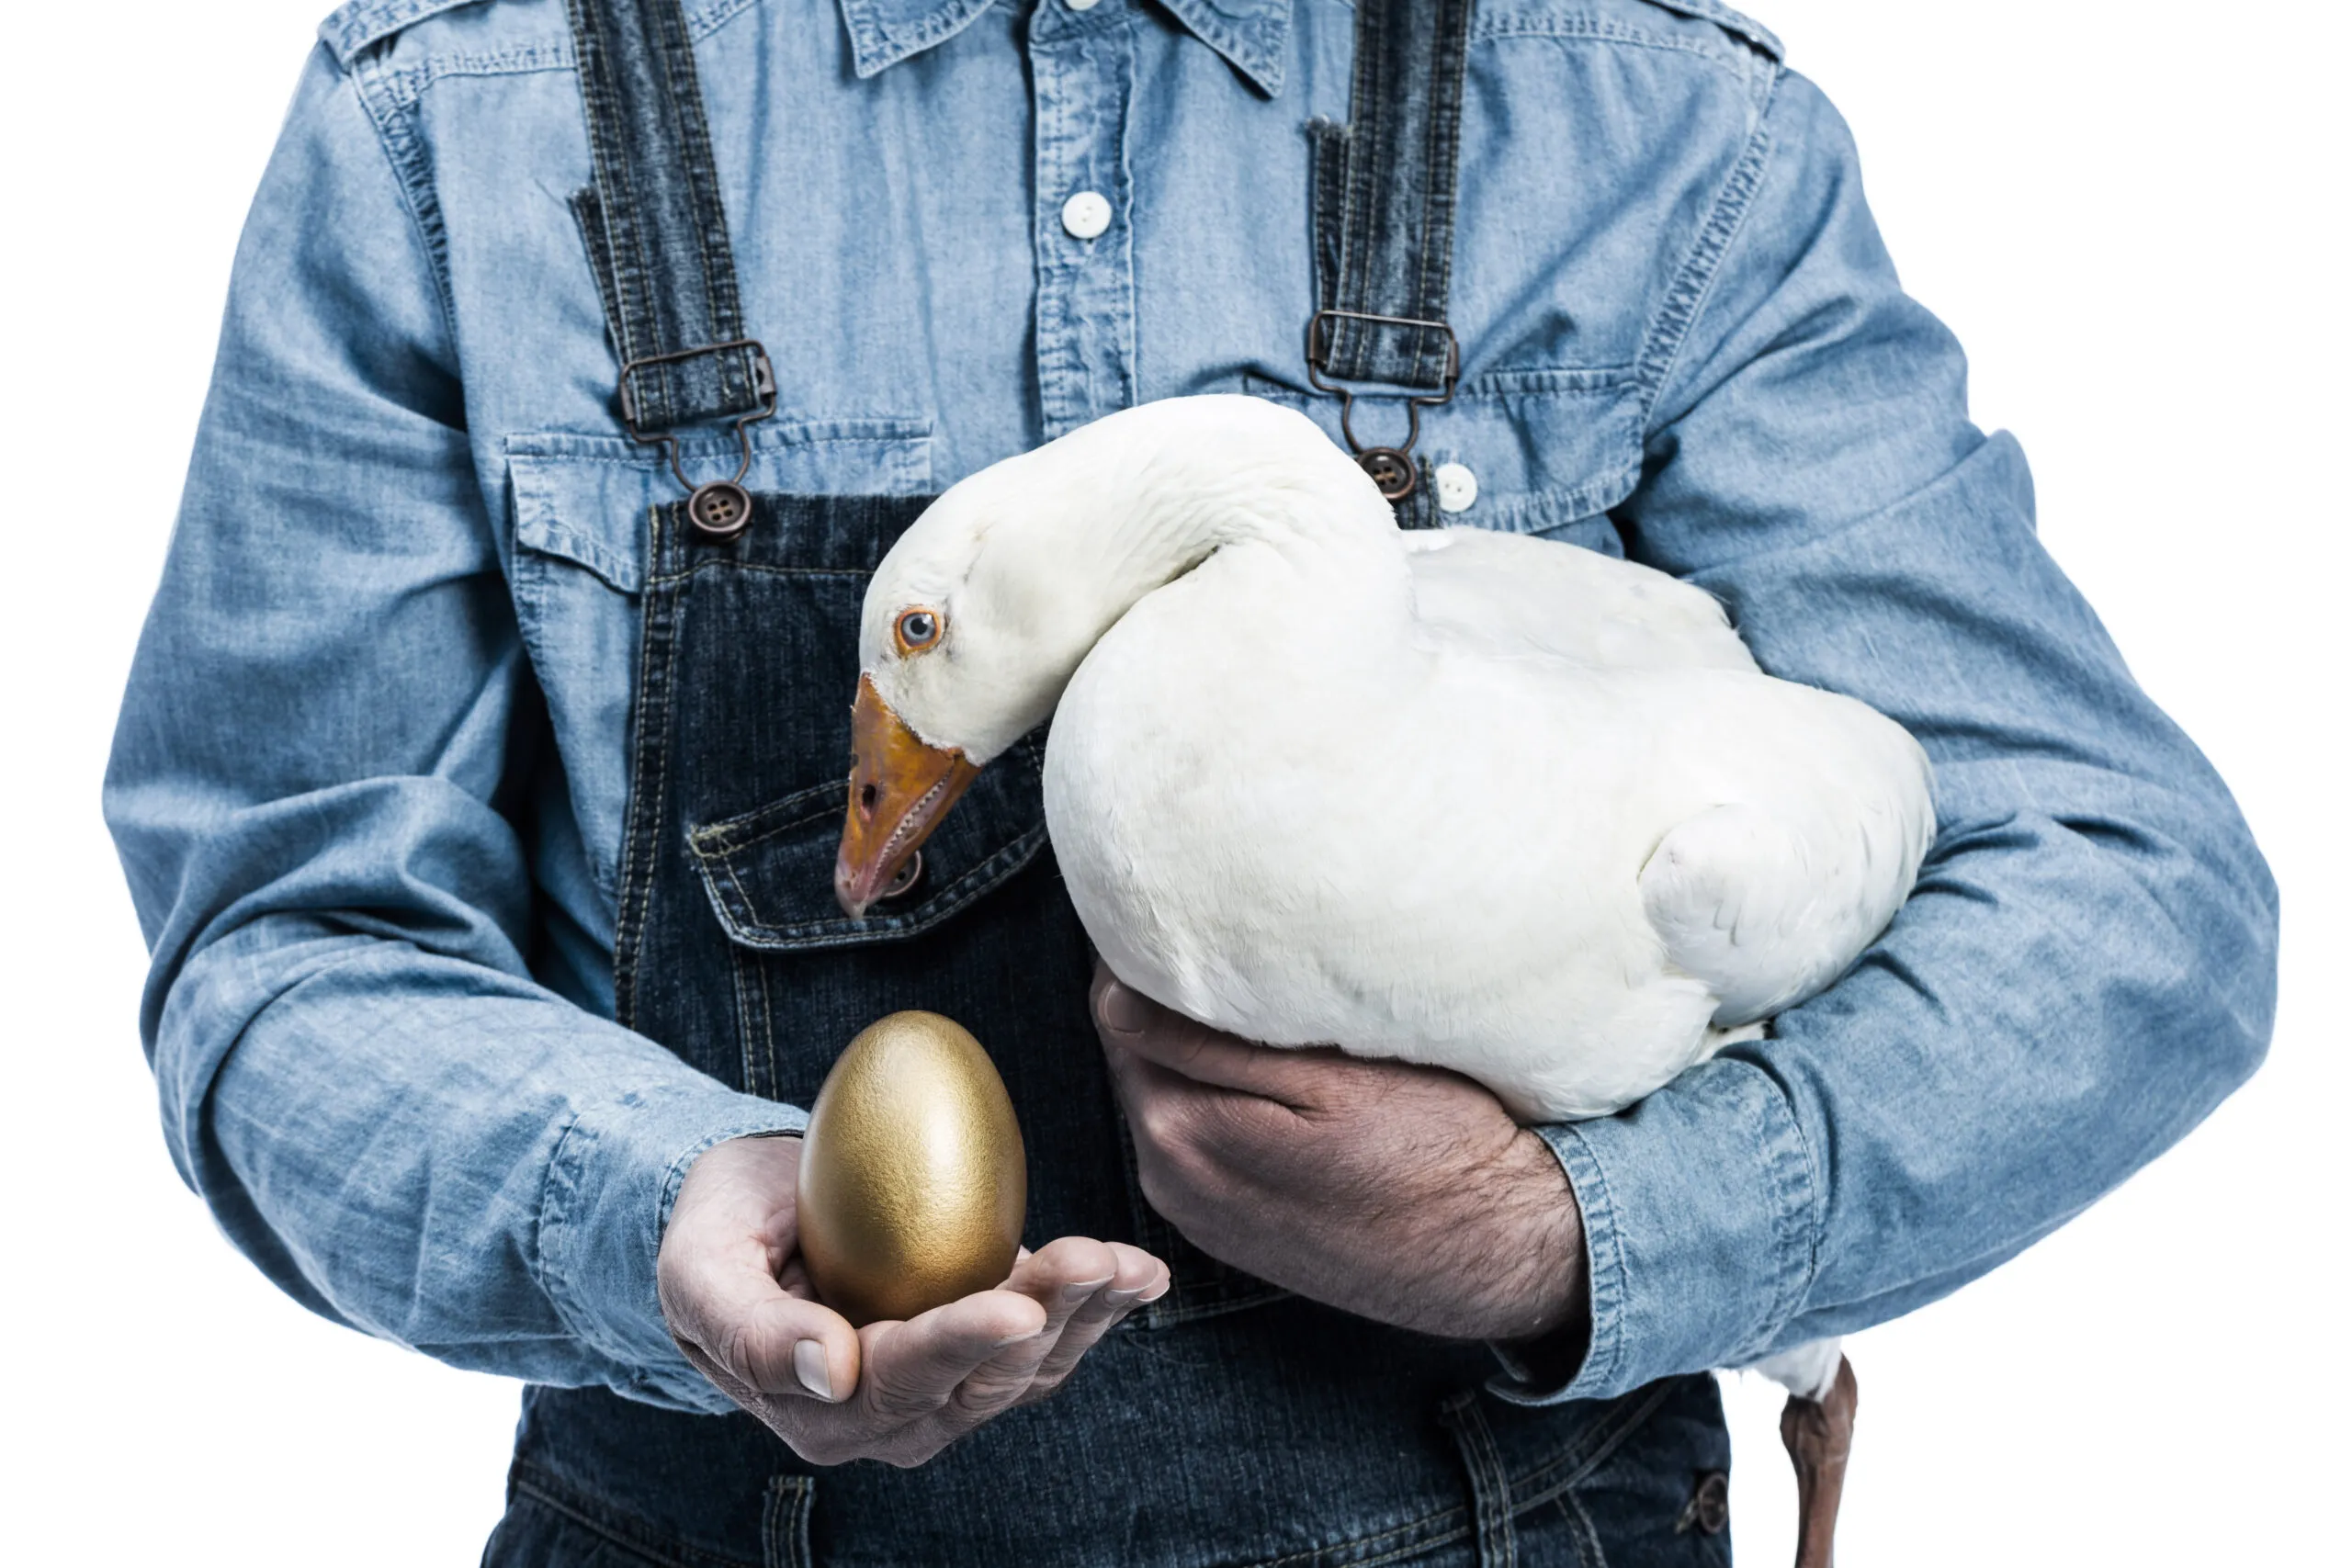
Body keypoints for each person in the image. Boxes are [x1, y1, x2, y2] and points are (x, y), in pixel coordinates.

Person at [104, 0, 2277, 1562]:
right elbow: (288, 943)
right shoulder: (454, 115)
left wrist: (1567, 1228)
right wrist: (643, 1206)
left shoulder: (1652, 132)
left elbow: (2127, 902)